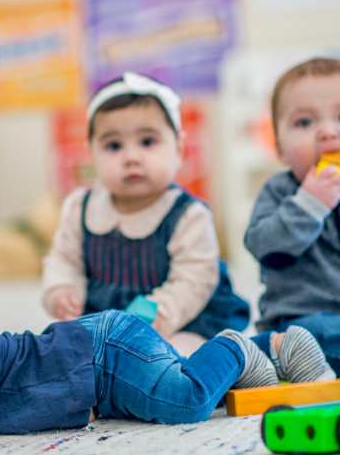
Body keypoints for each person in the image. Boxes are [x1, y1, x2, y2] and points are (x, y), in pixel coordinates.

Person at [0, 197, 332, 442]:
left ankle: (247, 347)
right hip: (92, 373)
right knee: (169, 397)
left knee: (183, 402)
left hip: (102, 355)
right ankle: (247, 369)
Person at [42, 72, 249, 356]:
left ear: (178, 148)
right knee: (59, 353)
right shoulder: (80, 208)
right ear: (92, 154)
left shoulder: (188, 215)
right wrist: (62, 289)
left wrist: (157, 314)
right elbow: (64, 260)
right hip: (104, 323)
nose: (131, 157)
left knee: (179, 355)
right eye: (113, 146)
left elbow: (194, 281)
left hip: (179, 320)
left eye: (148, 142)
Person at [245, 57, 340, 378]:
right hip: (299, 322)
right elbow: (264, 245)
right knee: (314, 334)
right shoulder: (280, 191)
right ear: (279, 148)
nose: (328, 132)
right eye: (304, 123)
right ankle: (285, 360)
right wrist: (309, 204)